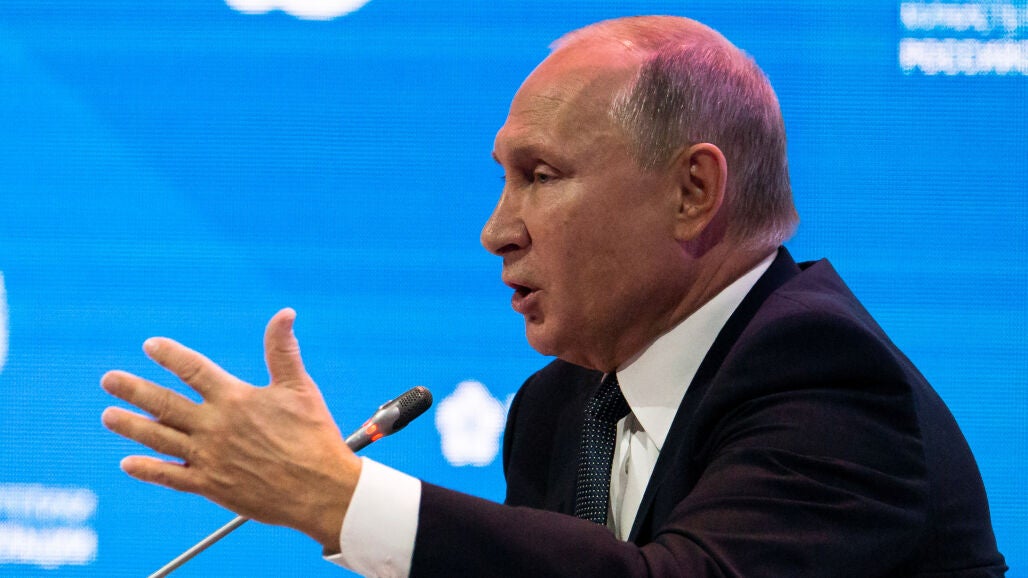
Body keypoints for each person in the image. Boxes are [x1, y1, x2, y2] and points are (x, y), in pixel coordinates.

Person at [101, 15, 1006, 577]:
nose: (497, 230)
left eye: (540, 176)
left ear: (693, 191)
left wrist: (338, 497)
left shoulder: (824, 376)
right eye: (503, 179)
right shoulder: (558, 408)